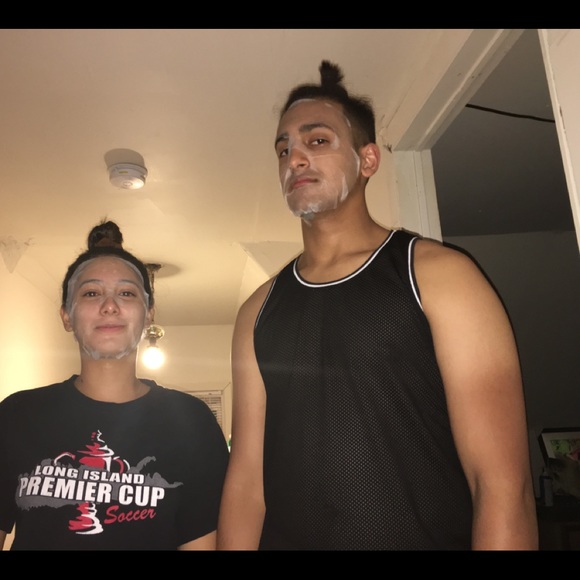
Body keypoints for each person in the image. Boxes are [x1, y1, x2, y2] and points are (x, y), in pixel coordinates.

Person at [217, 61, 538, 550]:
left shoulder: (440, 276)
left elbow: (502, 487)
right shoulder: (256, 313)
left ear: (368, 160)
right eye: (283, 149)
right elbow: (247, 483)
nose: (294, 158)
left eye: (317, 140)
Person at [0, 220, 229, 550]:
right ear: (66, 315)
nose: (110, 305)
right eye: (91, 293)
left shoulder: (193, 423)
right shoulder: (16, 415)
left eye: (126, 293)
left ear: (148, 313)